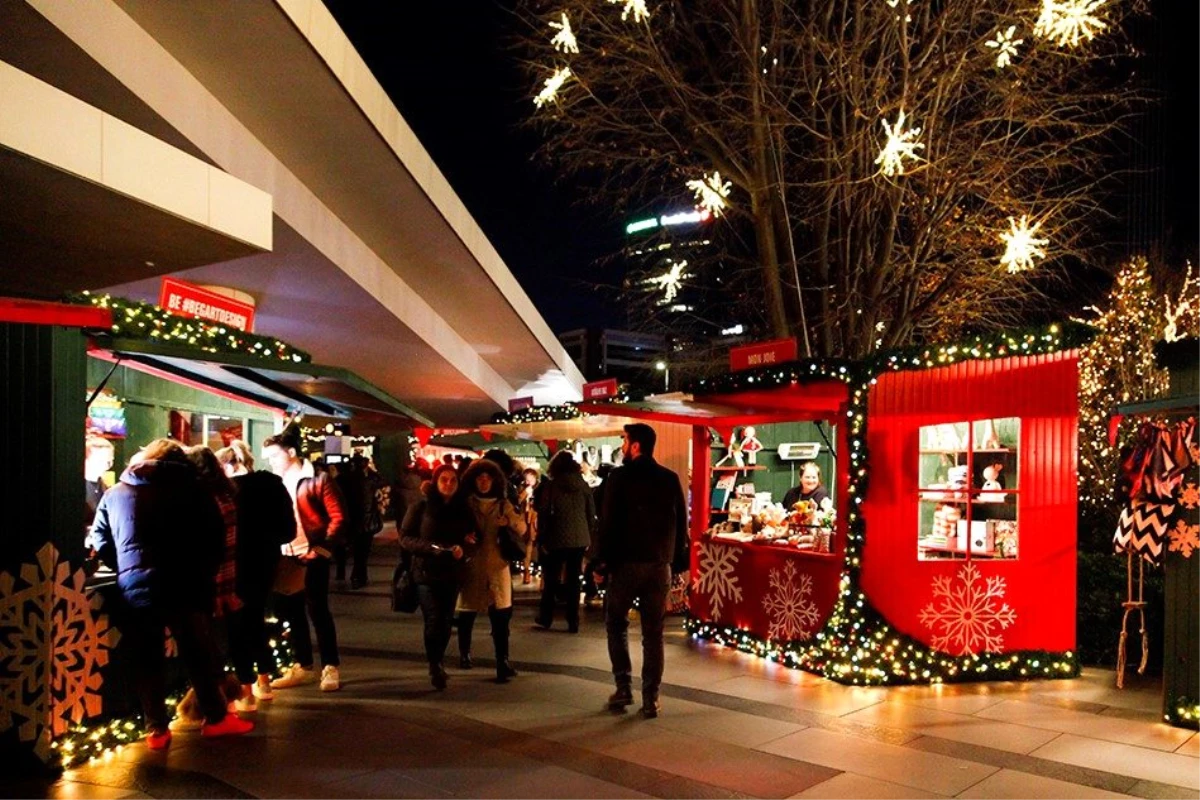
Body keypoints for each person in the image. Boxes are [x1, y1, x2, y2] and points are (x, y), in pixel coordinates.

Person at [90, 438, 253, 749]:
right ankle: (216, 719)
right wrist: (204, 572)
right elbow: (214, 537)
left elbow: (100, 538)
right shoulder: (195, 491)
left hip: (136, 587)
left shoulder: (116, 493)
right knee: (198, 653)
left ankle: (157, 731)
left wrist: (126, 565)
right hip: (187, 584)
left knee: (147, 658)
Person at [595, 423, 689, 718]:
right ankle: (651, 697)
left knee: (616, 624)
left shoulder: (618, 477)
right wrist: (676, 563)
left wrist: (601, 562)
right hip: (658, 565)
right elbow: (681, 523)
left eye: (624, 440)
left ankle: (623, 686)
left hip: (625, 564)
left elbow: (608, 523)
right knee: (653, 633)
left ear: (635, 446)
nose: (622, 446)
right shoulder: (669, 479)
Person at [263, 429, 347, 693]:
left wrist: (320, 550)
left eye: (274, 456)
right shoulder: (273, 482)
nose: (271, 462)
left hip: (312, 555)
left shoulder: (317, 480)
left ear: (291, 452)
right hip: (284, 555)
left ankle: (330, 666)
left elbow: (339, 517)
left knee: (317, 610)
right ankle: (303, 664)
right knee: (291, 612)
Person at [216, 441, 296, 709]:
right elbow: (288, 531)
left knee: (236, 625)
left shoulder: (224, 493)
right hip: (265, 564)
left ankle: (246, 690)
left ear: (226, 466)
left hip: (232, 566)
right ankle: (264, 680)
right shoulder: (273, 485)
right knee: (257, 617)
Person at [399, 464, 473, 690]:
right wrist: (432, 548)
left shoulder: (463, 509)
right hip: (426, 572)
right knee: (433, 619)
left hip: (452, 573)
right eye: (444, 480)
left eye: (452, 480)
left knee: (446, 620)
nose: (448, 484)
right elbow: (405, 538)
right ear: (436, 481)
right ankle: (435, 664)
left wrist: (464, 548)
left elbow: (472, 537)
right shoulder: (420, 507)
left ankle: (438, 659)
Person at [456, 458, 526, 682]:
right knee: (467, 613)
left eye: (488, 478)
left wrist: (510, 523)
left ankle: (502, 661)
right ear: (473, 480)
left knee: (501, 618)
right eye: (480, 478)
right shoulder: (466, 504)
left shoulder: (504, 504)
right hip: (472, 566)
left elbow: (522, 527)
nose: (484, 482)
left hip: (498, 567)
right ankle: (464, 653)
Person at [534, 452, 595, 632]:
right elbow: (591, 513)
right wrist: (588, 534)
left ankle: (546, 617)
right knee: (574, 579)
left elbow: (544, 513)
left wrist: (542, 537)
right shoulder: (583, 485)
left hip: (556, 537)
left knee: (551, 578)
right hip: (579, 538)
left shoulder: (551, 486)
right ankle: (573, 620)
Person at [84, 435, 115, 529]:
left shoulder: (106, 488)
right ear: (86, 460)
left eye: (110, 461)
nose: (107, 465)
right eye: (102, 460)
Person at [519, 467, 540, 585]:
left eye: (530, 478)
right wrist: (525, 492)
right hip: (525, 518)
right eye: (526, 478)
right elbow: (518, 500)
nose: (528, 480)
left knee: (535, 544)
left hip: (535, 519)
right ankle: (526, 570)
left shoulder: (540, 488)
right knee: (527, 544)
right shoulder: (523, 488)